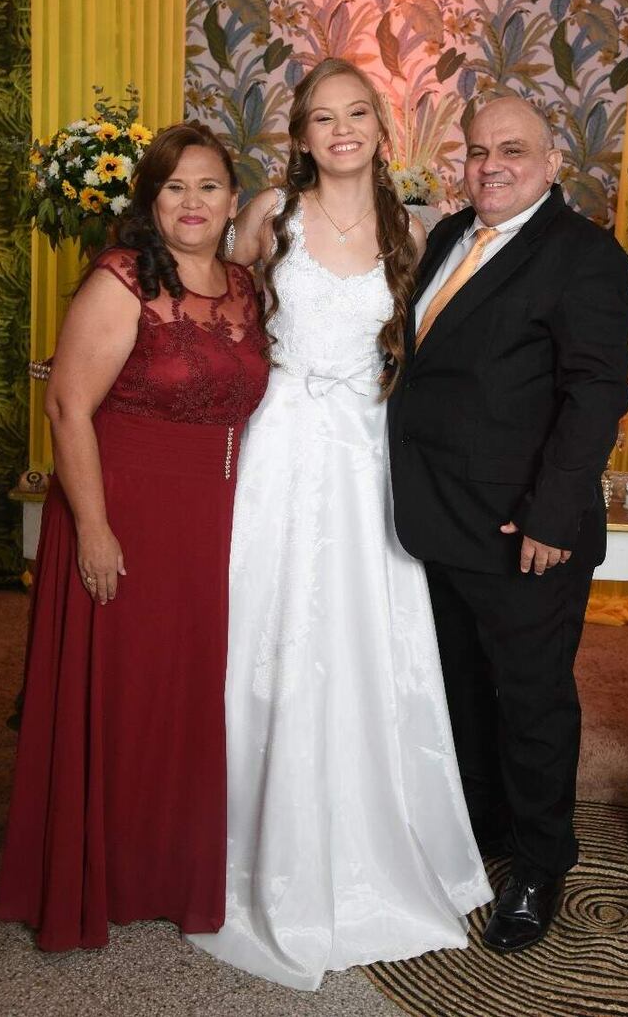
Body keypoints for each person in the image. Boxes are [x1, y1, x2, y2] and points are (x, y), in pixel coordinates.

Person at [188, 58, 492, 990]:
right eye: (323, 118)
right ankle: (242, 848)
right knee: (269, 631)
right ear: (303, 134)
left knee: (365, 639)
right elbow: (217, 319)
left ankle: (377, 837)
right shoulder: (269, 214)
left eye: (357, 113)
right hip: (281, 447)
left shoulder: (416, 229)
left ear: (380, 124)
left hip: (366, 455)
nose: (342, 131)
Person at [0, 122, 269, 951]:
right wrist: (94, 532)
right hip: (126, 514)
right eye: (175, 187)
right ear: (152, 201)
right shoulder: (121, 279)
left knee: (187, 699)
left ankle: (167, 870)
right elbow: (67, 406)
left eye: (209, 186)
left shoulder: (247, 287)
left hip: (217, 517)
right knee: (122, 694)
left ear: (232, 202)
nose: (192, 202)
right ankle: (96, 873)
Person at [388, 96, 628, 954]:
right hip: (438, 522)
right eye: (477, 151)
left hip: (525, 532)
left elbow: (597, 392)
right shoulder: (452, 232)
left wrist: (551, 516)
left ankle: (540, 865)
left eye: (512, 151)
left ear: (553, 161)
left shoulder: (585, 256)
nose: (490, 166)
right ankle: (485, 831)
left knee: (531, 703)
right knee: (461, 691)